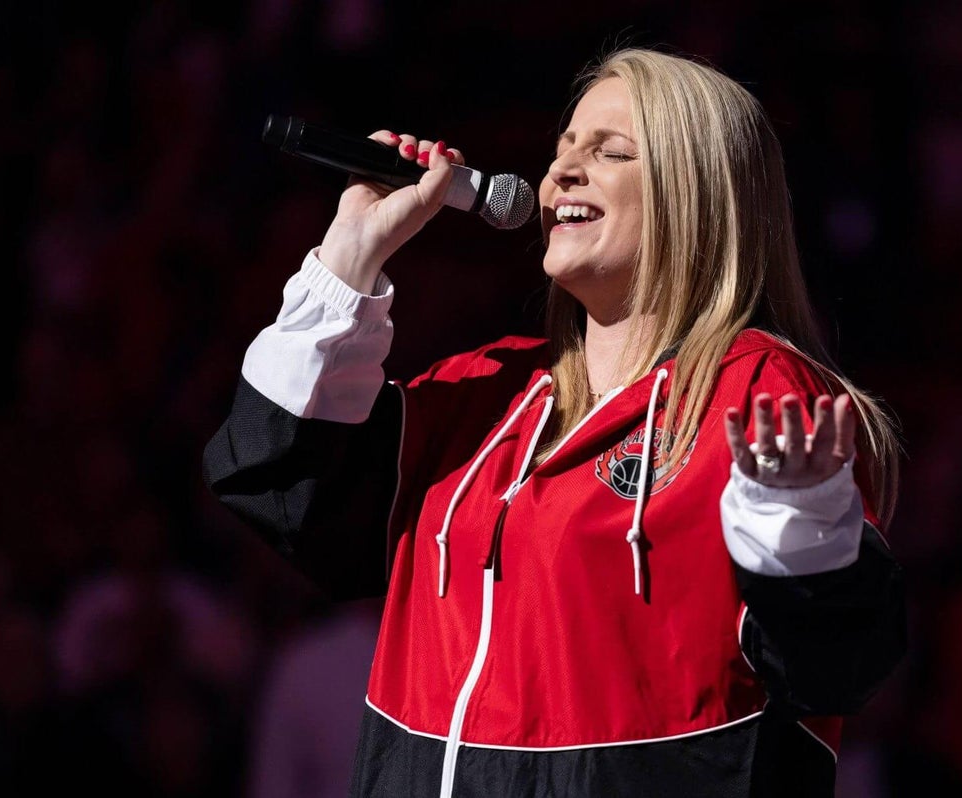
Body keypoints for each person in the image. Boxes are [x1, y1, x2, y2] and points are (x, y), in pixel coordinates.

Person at [203, 46, 907, 797]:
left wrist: (802, 530)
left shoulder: (756, 396)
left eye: (611, 153)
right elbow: (279, 485)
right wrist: (351, 254)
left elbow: (837, 664)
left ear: (698, 191)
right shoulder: (481, 393)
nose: (562, 173)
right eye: (562, 150)